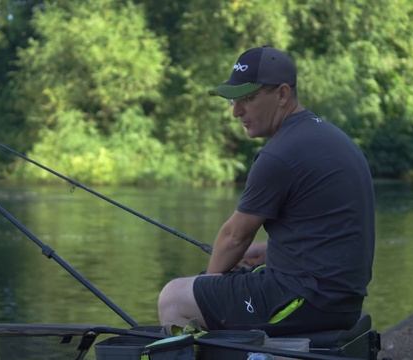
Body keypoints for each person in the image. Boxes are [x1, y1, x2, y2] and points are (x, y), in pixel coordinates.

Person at [157, 46, 375, 335]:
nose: (236, 111)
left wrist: (212, 284)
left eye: (247, 99)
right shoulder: (329, 136)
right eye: (234, 101)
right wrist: (275, 252)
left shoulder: (279, 155)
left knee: (174, 298)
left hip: (307, 301)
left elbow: (235, 237)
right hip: (340, 302)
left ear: (282, 94)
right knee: (216, 286)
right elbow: (333, 237)